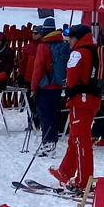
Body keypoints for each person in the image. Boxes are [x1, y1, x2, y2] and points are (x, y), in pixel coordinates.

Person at [49, 25, 101, 192]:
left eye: (70, 38)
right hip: (92, 100)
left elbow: (71, 76)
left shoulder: (78, 53)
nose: (68, 41)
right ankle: (65, 171)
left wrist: (69, 90)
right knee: (75, 137)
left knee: (80, 141)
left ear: (78, 38)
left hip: (80, 101)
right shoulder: (95, 50)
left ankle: (83, 181)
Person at [30, 18, 69, 157]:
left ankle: (47, 145)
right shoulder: (63, 44)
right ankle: (53, 142)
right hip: (58, 85)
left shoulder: (43, 46)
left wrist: (33, 87)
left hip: (45, 85)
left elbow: (38, 67)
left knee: (45, 115)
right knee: (54, 114)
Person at [16, 20, 45, 130]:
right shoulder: (28, 47)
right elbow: (23, 63)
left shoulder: (45, 46)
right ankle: (32, 123)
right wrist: (20, 76)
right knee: (30, 102)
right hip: (29, 79)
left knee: (40, 103)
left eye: (36, 33)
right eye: (33, 33)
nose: (33, 35)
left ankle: (39, 123)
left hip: (41, 80)